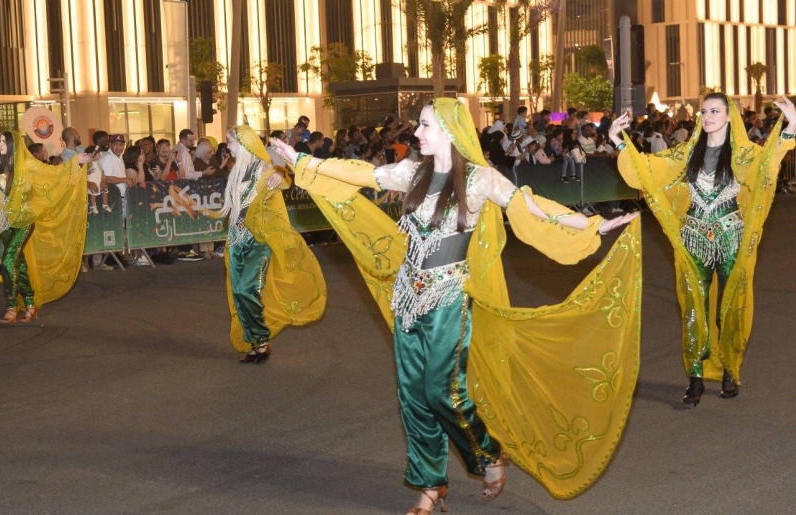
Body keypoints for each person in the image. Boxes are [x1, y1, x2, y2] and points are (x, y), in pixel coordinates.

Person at [274, 98, 642, 513]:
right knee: (412, 396)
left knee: (441, 392)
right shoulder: (412, 171)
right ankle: (430, 489)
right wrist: (303, 161)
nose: (417, 133)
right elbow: (359, 172)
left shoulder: (480, 180)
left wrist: (592, 223)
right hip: (407, 298)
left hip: (448, 298)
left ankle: (487, 454)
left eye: (426, 126)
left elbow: (531, 205)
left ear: (449, 130)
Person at [610, 93, 796, 405]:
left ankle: (729, 371)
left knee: (729, 308)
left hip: (731, 238)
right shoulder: (686, 153)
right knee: (692, 309)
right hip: (693, 240)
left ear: (728, 116)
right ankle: (695, 376)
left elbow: (769, 162)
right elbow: (647, 168)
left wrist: (791, 125)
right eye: (704, 111)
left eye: (714, 111)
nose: (707, 116)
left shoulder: (744, 154)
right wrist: (618, 139)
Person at [212, 125, 327, 363]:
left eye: (231, 143)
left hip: (258, 241)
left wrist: (282, 174)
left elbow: (284, 181)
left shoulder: (264, 169)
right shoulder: (236, 171)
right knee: (238, 293)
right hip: (236, 240)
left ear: (243, 144)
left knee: (247, 289)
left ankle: (262, 342)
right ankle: (254, 343)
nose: (228, 148)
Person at [0, 131, 92, 323]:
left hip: (23, 221)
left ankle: (11, 306)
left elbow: (53, 174)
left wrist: (75, 162)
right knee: (18, 264)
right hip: (5, 224)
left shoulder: (28, 164)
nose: (0, 145)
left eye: (3, 141)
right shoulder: (1, 165)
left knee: (7, 261)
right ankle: (30, 304)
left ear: (13, 144)